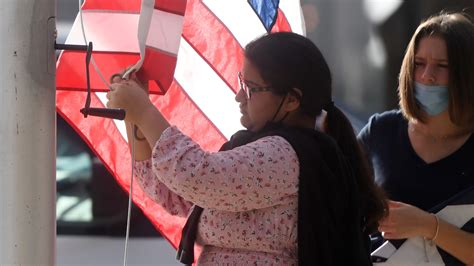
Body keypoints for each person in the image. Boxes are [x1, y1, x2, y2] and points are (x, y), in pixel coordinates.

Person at [107, 32, 386, 265]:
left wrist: (143, 112)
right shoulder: (266, 148)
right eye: (242, 83)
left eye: (251, 87)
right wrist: (136, 122)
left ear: (291, 100)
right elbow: (177, 195)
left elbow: (197, 178)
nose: (239, 96)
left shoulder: (286, 154)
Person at [358, 12, 474, 264]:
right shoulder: (381, 130)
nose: (426, 76)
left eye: (442, 66)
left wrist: (428, 226)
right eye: (419, 63)